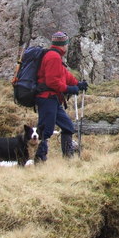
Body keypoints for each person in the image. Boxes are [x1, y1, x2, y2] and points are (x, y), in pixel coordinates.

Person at [35, 31, 88, 162]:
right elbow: (52, 82)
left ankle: (68, 157)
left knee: (67, 126)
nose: (67, 47)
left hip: (53, 99)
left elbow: (65, 75)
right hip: (47, 98)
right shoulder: (53, 57)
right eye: (66, 44)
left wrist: (78, 84)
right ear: (63, 45)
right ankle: (39, 159)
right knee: (45, 130)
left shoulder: (55, 56)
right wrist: (70, 88)